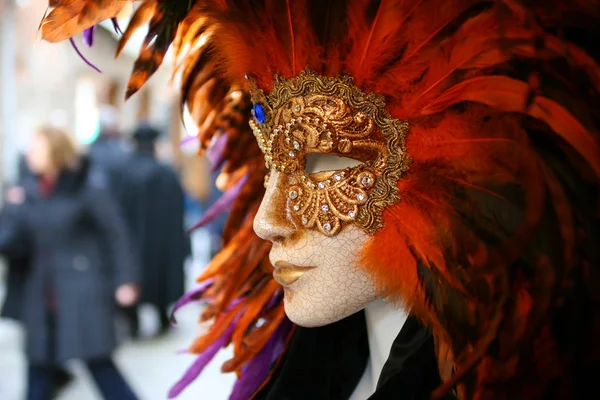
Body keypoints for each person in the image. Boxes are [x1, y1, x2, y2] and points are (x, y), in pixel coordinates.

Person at [42, 1, 600, 399]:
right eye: (272, 164)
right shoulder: (309, 364)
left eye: (324, 163)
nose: (265, 223)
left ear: (452, 172)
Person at [0, 126, 140, 400]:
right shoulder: (26, 190)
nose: (29, 153)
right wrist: (13, 208)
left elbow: (115, 234)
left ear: (54, 152)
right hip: (40, 296)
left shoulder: (85, 185)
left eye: (36, 147)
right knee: (37, 371)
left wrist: (126, 279)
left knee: (100, 366)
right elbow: (10, 242)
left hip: (82, 292)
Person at [0, 155, 74, 396]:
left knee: (43, 348)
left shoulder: (53, 192)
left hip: (51, 286)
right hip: (35, 287)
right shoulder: (26, 195)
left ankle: (52, 378)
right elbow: (10, 241)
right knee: (40, 348)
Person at [122, 124, 189, 337]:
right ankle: (162, 317)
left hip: (134, 241)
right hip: (163, 241)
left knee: (137, 276)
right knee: (162, 277)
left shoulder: (125, 175)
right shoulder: (167, 174)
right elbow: (179, 211)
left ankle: (133, 322)